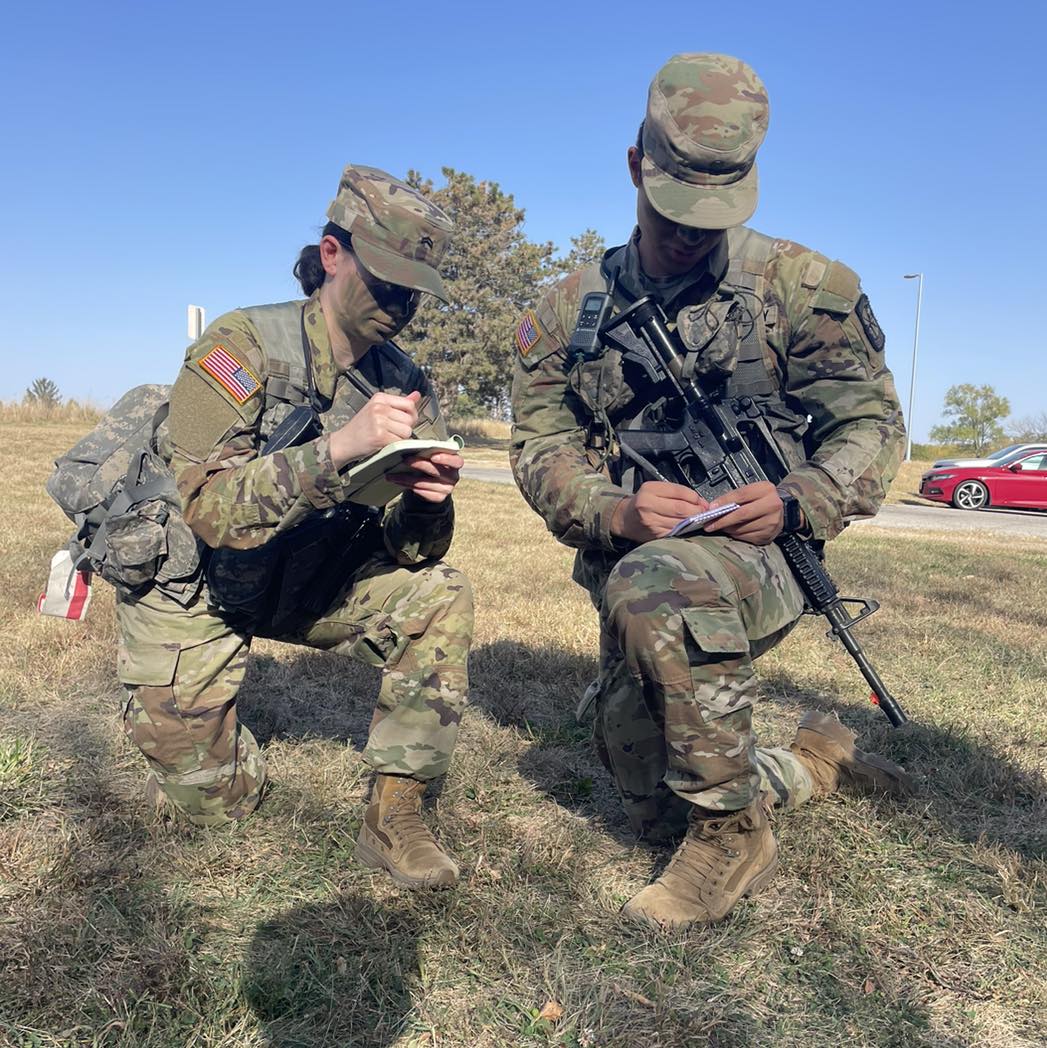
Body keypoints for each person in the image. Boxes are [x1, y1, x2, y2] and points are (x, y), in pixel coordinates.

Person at [510, 54, 913, 929]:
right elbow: (538, 445)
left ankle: (731, 836)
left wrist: (799, 496)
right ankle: (810, 763)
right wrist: (610, 510)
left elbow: (874, 428)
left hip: (761, 553)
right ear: (633, 167)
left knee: (662, 591)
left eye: (714, 213)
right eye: (673, 210)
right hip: (631, 558)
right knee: (642, 792)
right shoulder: (566, 312)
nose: (690, 236)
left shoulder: (805, 290)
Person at [117, 164, 472, 888]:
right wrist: (340, 447)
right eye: (387, 281)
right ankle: (199, 735)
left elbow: (412, 551)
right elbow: (210, 511)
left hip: (307, 577)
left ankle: (395, 815)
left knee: (440, 592)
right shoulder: (241, 344)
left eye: (414, 290)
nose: (401, 304)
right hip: (201, 584)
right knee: (213, 808)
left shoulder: (405, 383)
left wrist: (429, 503)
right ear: (333, 256)